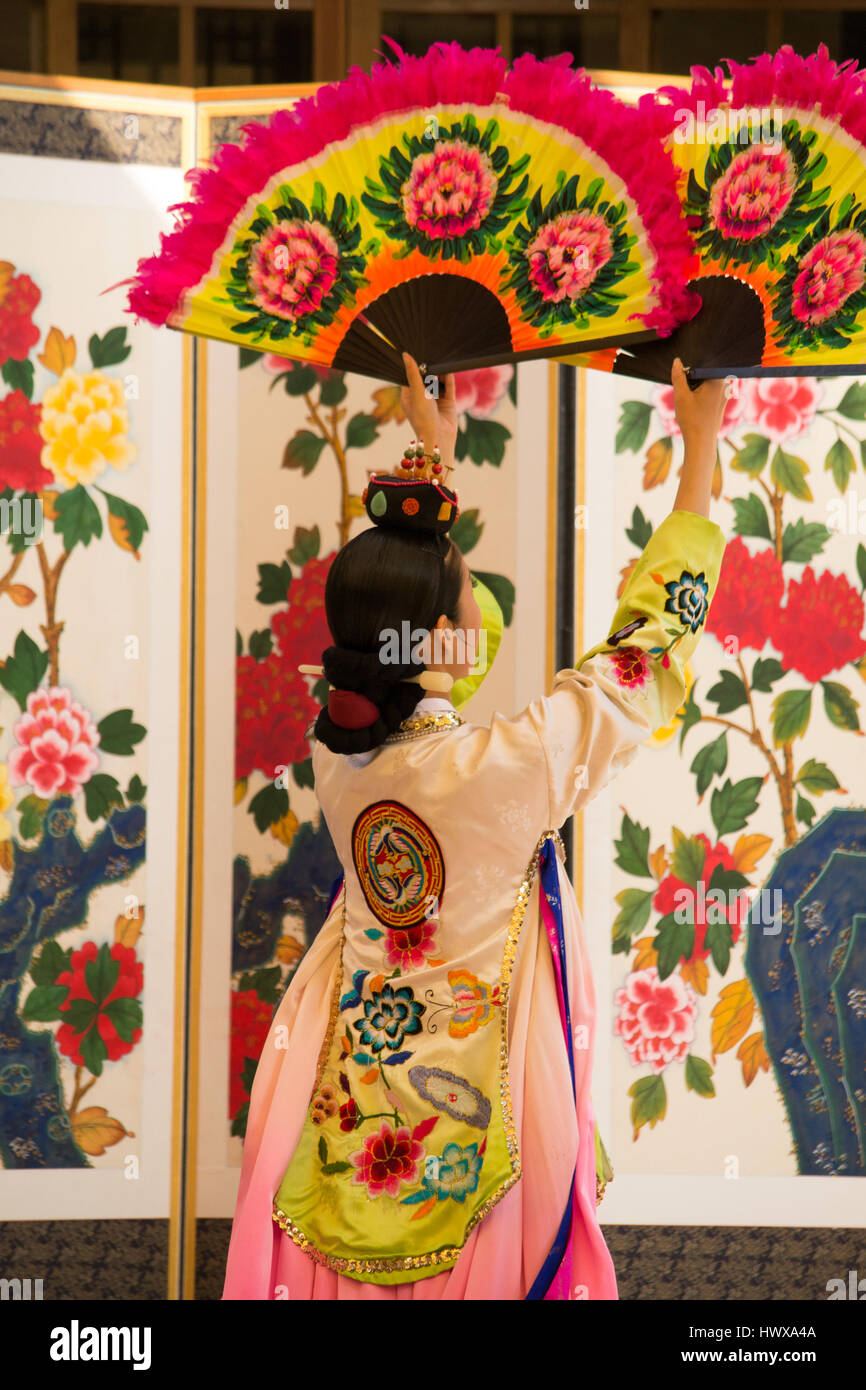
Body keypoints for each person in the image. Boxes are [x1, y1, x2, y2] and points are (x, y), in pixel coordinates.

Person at [222, 352, 728, 1300]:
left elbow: (445, 647)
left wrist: (432, 460)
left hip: (345, 1090)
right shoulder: (507, 768)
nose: (475, 612)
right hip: (489, 1083)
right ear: (442, 632)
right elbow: (646, 654)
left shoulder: (338, 757)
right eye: (461, 592)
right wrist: (699, 452)